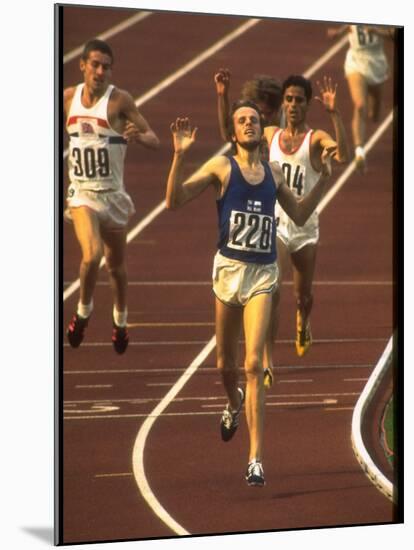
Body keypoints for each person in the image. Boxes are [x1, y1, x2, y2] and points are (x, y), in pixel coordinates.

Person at [165, 100, 335, 486]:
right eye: (241, 120)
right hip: (228, 272)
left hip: (262, 273)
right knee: (225, 367)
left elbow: (302, 214)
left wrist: (323, 177)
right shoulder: (222, 167)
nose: (249, 125)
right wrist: (177, 156)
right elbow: (173, 201)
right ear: (233, 131)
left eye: (254, 120)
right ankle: (233, 401)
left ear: (262, 128)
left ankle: (255, 458)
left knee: (253, 364)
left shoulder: (274, 173)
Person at [214, 71, 349, 389]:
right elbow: (226, 133)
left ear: (306, 105)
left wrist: (334, 114)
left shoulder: (315, 138)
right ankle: (268, 361)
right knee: (272, 291)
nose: (292, 105)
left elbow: (341, 154)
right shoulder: (270, 133)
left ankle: (303, 319)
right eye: (288, 99)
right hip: (277, 225)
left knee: (302, 296)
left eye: (298, 100)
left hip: (305, 225)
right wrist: (222, 95)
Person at [64, 38, 160, 353]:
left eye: (106, 66)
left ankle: (120, 321)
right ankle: (83, 313)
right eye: (95, 64)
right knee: (92, 255)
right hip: (83, 194)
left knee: (116, 268)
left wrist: (138, 136)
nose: (100, 71)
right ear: (82, 65)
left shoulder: (119, 101)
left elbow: (154, 139)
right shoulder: (67, 100)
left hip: (113, 197)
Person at [327, 24, 394, 173]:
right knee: (360, 105)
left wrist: (378, 31)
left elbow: (395, 34)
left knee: (374, 115)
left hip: (376, 61)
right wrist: (338, 32)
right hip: (356, 60)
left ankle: (372, 103)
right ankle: (359, 151)